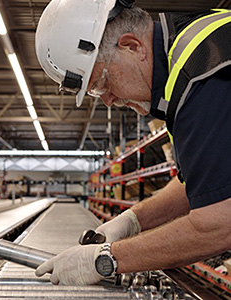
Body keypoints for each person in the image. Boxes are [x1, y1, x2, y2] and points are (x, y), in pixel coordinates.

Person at [34, 0, 231, 286]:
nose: (109, 100)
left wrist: (108, 259)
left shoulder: (202, 75)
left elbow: (219, 224)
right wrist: (131, 221)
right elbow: (203, 183)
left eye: (101, 83)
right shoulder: (185, 67)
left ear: (131, 46)